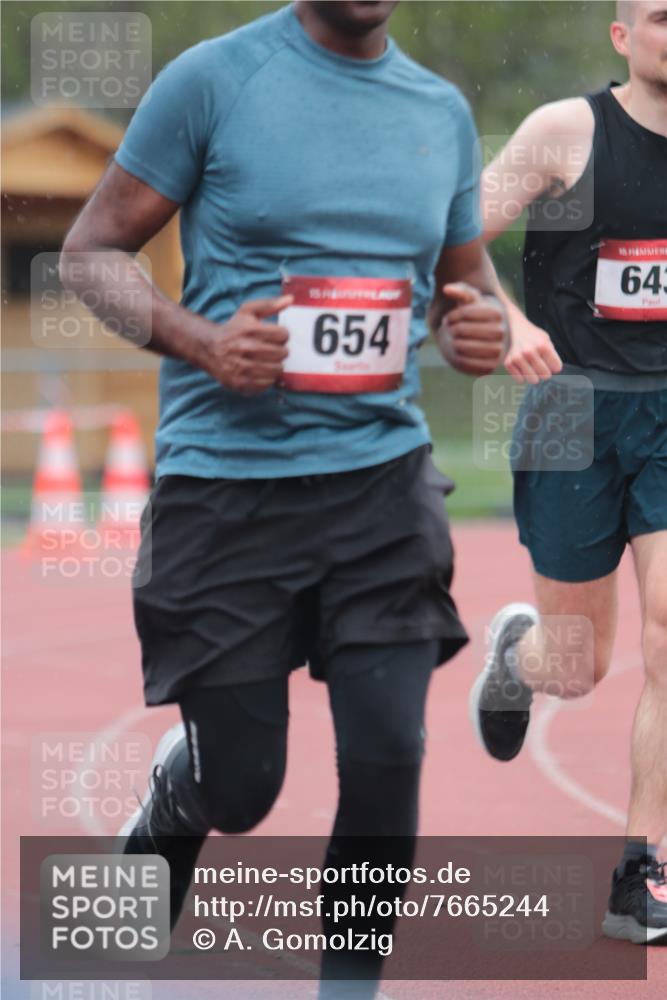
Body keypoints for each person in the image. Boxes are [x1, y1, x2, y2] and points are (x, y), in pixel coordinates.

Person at [60, 2, 508, 994]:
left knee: (389, 748)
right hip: (226, 492)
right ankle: (173, 801)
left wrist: (475, 327)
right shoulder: (212, 81)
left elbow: (464, 279)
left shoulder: (437, 111)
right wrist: (200, 340)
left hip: (382, 487)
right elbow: (91, 250)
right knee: (243, 789)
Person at [471, 0, 667, 945]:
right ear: (623, 36)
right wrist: (510, 322)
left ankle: (638, 874)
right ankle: (516, 656)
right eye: (663, 17)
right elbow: (451, 230)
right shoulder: (568, 132)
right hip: (571, 405)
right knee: (578, 666)